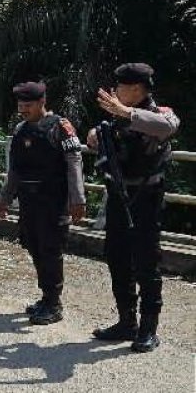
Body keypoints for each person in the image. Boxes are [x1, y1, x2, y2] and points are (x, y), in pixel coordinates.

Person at [89, 63, 180, 353]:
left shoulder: (158, 113)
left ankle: (148, 329)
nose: (114, 92)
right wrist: (95, 136)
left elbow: (168, 126)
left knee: (146, 261)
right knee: (116, 256)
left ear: (137, 90)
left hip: (146, 198)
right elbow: (103, 143)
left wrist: (126, 113)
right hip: (117, 195)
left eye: (121, 87)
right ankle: (126, 321)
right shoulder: (116, 118)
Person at [0, 82, 86, 325]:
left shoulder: (60, 127)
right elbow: (15, 169)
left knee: (50, 249)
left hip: (53, 200)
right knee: (33, 245)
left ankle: (54, 303)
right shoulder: (21, 130)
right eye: (20, 106)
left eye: (28, 105)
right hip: (28, 200)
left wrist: (77, 199)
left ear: (41, 103)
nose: (23, 110)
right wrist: (5, 198)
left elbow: (74, 162)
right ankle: (46, 296)